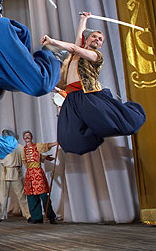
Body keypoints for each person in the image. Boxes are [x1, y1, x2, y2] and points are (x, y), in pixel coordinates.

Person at [41, 12, 146, 155]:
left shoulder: (96, 56)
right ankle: (92, 131)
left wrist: (52, 42)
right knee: (68, 138)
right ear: (87, 39)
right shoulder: (77, 53)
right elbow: (79, 38)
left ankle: (108, 122)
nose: (97, 39)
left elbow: (74, 47)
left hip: (87, 95)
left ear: (101, 45)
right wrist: (83, 19)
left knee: (111, 124)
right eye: (94, 36)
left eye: (100, 39)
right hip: (72, 98)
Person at [0, 130, 31, 223]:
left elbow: (25, 158)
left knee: (21, 194)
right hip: (5, 171)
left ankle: (28, 214)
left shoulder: (19, 147)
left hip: (15, 171)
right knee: (3, 195)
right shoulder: (2, 146)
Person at [21, 131, 57, 224]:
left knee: (44, 196)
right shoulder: (23, 149)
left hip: (38, 173)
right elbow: (24, 160)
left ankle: (51, 216)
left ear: (31, 137)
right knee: (31, 197)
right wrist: (42, 158)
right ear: (23, 138)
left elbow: (46, 146)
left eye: (28, 136)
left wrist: (56, 143)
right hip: (29, 174)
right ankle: (36, 217)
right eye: (25, 136)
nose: (27, 137)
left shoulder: (37, 146)